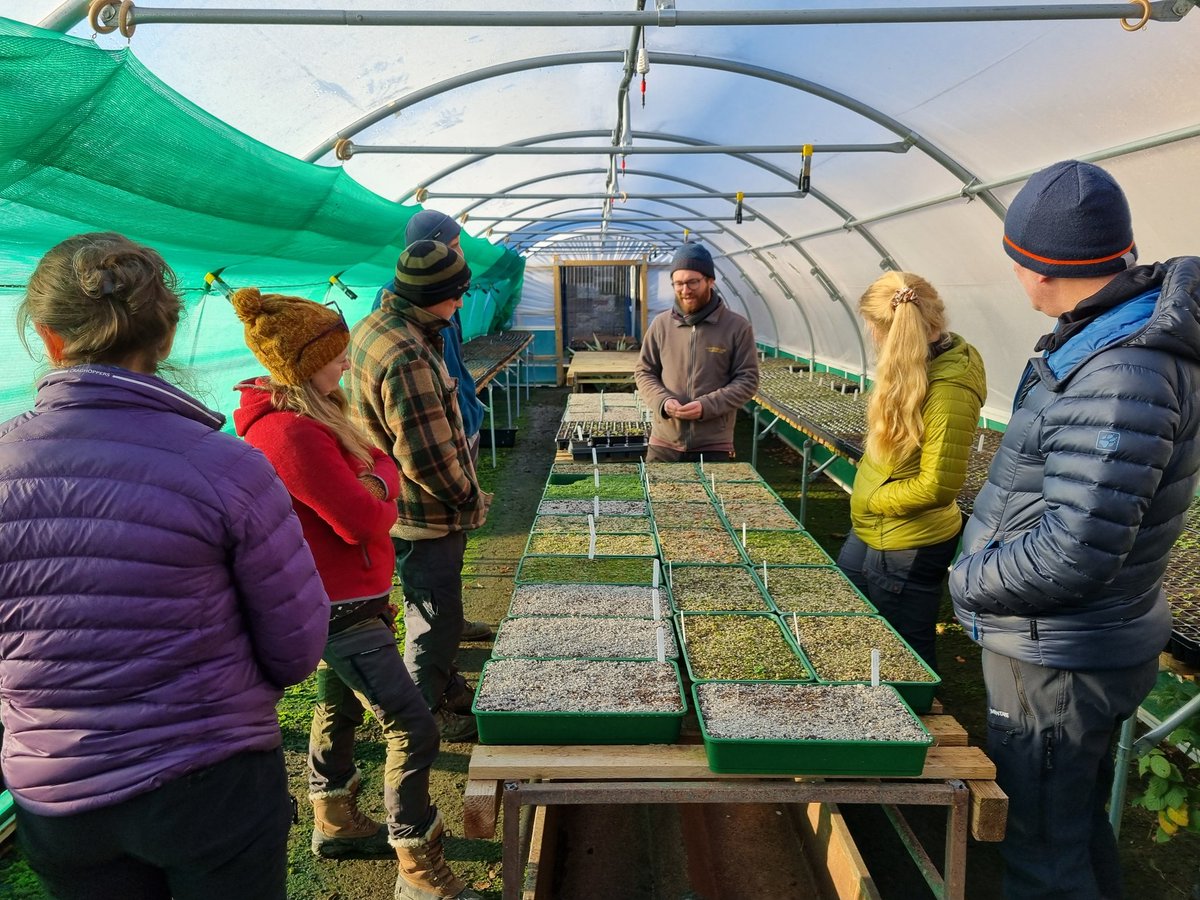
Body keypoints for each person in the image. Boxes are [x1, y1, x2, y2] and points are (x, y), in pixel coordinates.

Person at [0, 232, 329, 900]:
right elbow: (296, 647)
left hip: (58, 794)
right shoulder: (227, 467)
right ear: (168, 333)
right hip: (210, 780)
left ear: (49, 339)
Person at [950, 160, 1200, 899]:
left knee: (1042, 857)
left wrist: (967, 577)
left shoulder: (1120, 370)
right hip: (1084, 640)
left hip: (1060, 654)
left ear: (1038, 268)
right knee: (1072, 829)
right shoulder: (1112, 342)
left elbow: (1072, 551)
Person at [231, 288, 480, 900]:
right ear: (302, 362)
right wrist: (377, 482)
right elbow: (363, 519)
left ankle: (335, 818)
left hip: (348, 596)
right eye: (334, 354)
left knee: (339, 707)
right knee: (412, 727)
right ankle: (418, 866)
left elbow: (379, 463)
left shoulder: (320, 413)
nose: (347, 362)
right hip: (336, 605)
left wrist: (375, 476)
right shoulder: (289, 432)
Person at [347, 240, 491, 744]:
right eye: (456, 296)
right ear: (435, 296)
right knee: (433, 615)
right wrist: (469, 497)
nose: (461, 304)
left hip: (398, 504)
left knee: (429, 604)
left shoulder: (376, 325)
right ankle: (427, 709)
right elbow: (425, 458)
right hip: (424, 513)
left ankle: (444, 684)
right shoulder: (407, 354)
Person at [836, 272, 986, 673]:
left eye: (872, 328)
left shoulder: (950, 388)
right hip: (876, 525)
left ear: (883, 330)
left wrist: (873, 497)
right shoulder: (912, 366)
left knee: (904, 649)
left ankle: (915, 707)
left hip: (908, 540)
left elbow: (937, 486)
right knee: (855, 618)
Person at [373, 209, 492, 642]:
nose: (460, 255)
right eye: (453, 246)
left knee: (448, 553)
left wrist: (467, 405)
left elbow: (451, 361)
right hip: (430, 454)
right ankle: (432, 650)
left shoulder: (441, 296)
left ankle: (450, 624)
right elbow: (420, 449)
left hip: (458, 418)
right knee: (430, 560)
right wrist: (469, 497)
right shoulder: (402, 332)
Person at [635, 241, 759, 462]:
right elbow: (644, 372)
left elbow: (747, 380)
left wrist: (706, 406)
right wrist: (663, 401)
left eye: (693, 282)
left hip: (713, 444)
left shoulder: (737, 327)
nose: (685, 290)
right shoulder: (661, 325)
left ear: (710, 281)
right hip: (663, 443)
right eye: (678, 283)